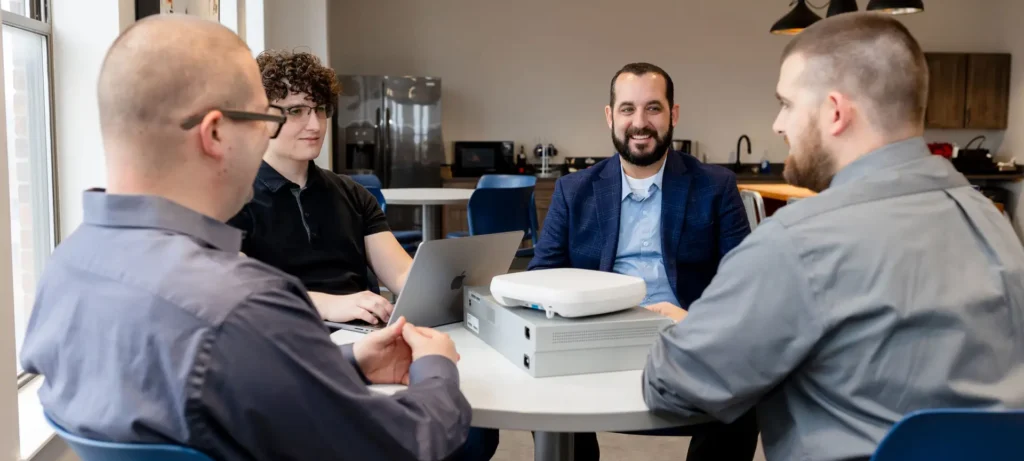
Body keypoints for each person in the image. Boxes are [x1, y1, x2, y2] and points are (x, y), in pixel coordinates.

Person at [20, 15, 471, 461]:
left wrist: (349, 360)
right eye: (263, 118)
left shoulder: (68, 265)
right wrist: (436, 370)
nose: (275, 133)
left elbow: (225, 389)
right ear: (216, 133)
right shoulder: (244, 305)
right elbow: (405, 444)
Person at [643, 13, 1024, 461]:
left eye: (785, 103)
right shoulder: (995, 224)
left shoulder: (795, 243)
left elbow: (671, 385)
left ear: (835, 113)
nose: (777, 125)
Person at [482, 63, 759, 461]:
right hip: (594, 341)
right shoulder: (573, 190)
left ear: (673, 114)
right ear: (610, 116)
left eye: (653, 108)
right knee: (541, 395)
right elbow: (539, 277)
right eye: (628, 109)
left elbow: (746, 282)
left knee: (745, 400)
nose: (640, 123)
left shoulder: (715, 186)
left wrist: (695, 323)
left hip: (688, 338)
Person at [228, 49, 411, 327]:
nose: (314, 125)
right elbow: (234, 288)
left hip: (362, 333)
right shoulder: (229, 198)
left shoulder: (353, 195)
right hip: (284, 338)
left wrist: (449, 288)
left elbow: (401, 275)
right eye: (296, 111)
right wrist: (325, 304)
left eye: (320, 110)